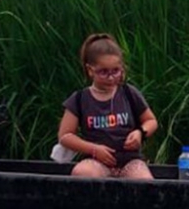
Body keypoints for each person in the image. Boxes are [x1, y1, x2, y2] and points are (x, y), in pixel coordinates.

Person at [56, 33, 158, 180]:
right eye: (103, 72)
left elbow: (151, 121)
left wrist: (140, 133)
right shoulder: (80, 99)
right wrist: (93, 149)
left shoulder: (129, 93)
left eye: (115, 71)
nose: (111, 77)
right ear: (90, 70)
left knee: (143, 180)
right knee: (83, 173)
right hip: (96, 161)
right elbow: (65, 136)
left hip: (130, 160)